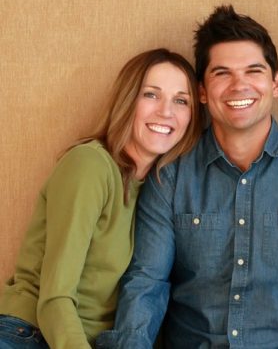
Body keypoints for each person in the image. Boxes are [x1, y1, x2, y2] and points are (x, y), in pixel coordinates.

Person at [96, 6, 278, 349]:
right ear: (202, 91)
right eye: (222, 73)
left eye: (253, 70)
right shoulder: (170, 178)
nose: (239, 85)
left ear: (275, 82)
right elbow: (146, 285)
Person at [0, 48, 204, 349]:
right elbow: (55, 298)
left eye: (181, 100)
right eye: (151, 95)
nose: (166, 111)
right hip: (30, 333)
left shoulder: (159, 191)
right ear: (128, 100)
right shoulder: (90, 166)